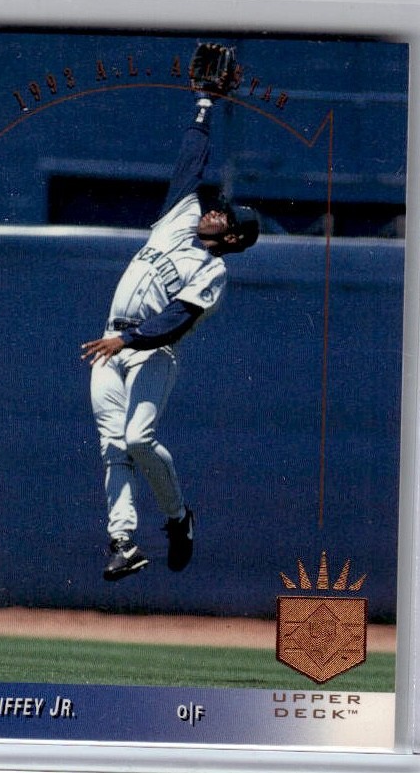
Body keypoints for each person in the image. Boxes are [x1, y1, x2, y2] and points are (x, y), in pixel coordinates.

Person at [81, 89, 259, 581]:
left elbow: (177, 318)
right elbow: (189, 164)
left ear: (231, 238)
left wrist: (127, 341)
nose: (213, 211)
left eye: (223, 216)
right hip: (110, 344)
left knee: (138, 438)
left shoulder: (214, 272)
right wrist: (204, 106)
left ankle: (179, 518)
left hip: (150, 352)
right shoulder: (179, 218)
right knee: (113, 446)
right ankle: (123, 543)